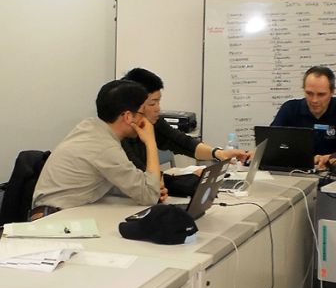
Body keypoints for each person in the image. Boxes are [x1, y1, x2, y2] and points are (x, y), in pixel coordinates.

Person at [30, 79, 164, 219]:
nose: (145, 120)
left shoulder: (90, 126)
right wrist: (150, 142)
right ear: (128, 116)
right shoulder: (105, 147)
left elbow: (119, 181)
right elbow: (150, 195)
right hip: (53, 219)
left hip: (60, 211)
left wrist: (151, 186)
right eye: (142, 113)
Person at [121, 68, 249, 196]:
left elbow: (181, 142)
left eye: (159, 102)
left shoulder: (152, 123)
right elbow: (145, 180)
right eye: (152, 104)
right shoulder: (120, 136)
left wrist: (219, 153)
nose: (158, 109)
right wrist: (192, 180)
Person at [271, 65, 336, 170]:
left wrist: (328, 159)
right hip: (294, 171)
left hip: (331, 172)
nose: (314, 100)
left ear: (332, 92)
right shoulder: (289, 108)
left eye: (321, 94)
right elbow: (269, 145)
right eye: (309, 93)